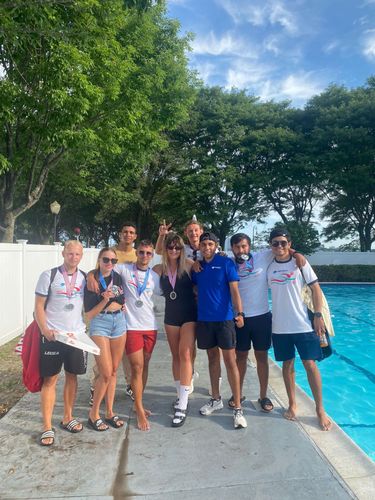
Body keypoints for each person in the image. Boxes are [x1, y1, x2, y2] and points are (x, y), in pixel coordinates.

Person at [229, 233, 306, 412]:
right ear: (232, 248)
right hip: (240, 318)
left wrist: (297, 254)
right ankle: (237, 393)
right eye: (237, 247)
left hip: (262, 317)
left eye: (244, 246)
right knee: (240, 357)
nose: (241, 250)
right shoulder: (229, 261)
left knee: (261, 357)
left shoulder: (262, 256)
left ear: (250, 246)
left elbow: (283, 247)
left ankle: (263, 396)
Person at [267, 228, 332, 431]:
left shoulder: (299, 263)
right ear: (271, 245)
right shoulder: (268, 265)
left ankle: (320, 409)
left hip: (303, 324)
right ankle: (292, 403)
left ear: (289, 243)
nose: (279, 247)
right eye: (275, 243)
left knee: (310, 364)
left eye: (283, 243)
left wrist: (319, 316)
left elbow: (316, 288)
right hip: (279, 326)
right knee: (287, 365)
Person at [191, 232, 247, 429]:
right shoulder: (197, 267)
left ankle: (238, 408)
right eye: (204, 244)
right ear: (199, 248)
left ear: (216, 246)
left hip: (224, 320)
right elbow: (196, 289)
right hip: (205, 321)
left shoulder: (226, 264)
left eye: (210, 244)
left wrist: (239, 313)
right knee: (212, 359)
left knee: (230, 362)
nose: (207, 247)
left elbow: (234, 291)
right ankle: (216, 399)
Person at [34, 240, 87, 446]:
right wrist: (44, 330)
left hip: (75, 336)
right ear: (63, 253)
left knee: (72, 377)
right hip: (53, 336)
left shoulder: (84, 278)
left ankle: (68, 417)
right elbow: (38, 306)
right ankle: (47, 426)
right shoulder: (49, 276)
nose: (73, 258)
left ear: (81, 256)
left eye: (77, 255)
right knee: (50, 380)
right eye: (70, 253)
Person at [89, 222, 137, 405]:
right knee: (103, 357)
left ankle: (130, 385)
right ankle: (97, 385)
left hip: (127, 310)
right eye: (125, 231)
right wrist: (90, 276)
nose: (128, 235)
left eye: (131, 232)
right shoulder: (111, 252)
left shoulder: (137, 254)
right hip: (105, 312)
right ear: (120, 234)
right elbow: (98, 269)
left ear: (135, 236)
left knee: (125, 355)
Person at [116, 240, 161, 431]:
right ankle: (140, 409)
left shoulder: (154, 277)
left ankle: (138, 403)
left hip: (150, 326)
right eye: (141, 252)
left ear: (152, 256)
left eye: (148, 253)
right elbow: (103, 266)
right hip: (132, 326)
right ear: (136, 253)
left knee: (145, 365)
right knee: (137, 366)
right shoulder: (124, 270)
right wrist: (93, 276)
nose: (144, 256)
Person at [153, 233, 197, 427]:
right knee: (176, 357)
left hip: (189, 316)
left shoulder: (190, 265)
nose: (173, 251)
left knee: (185, 354)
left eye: (177, 247)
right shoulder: (158, 269)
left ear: (182, 249)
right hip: (170, 317)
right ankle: (180, 394)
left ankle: (183, 405)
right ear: (164, 249)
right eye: (170, 247)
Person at [84, 247, 126, 431]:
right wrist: (105, 300)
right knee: (106, 372)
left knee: (114, 371)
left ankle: (109, 412)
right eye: (106, 260)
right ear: (99, 260)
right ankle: (93, 415)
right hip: (99, 324)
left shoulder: (117, 278)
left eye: (113, 261)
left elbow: (122, 300)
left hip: (119, 323)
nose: (110, 264)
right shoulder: (91, 280)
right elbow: (89, 314)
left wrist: (117, 305)